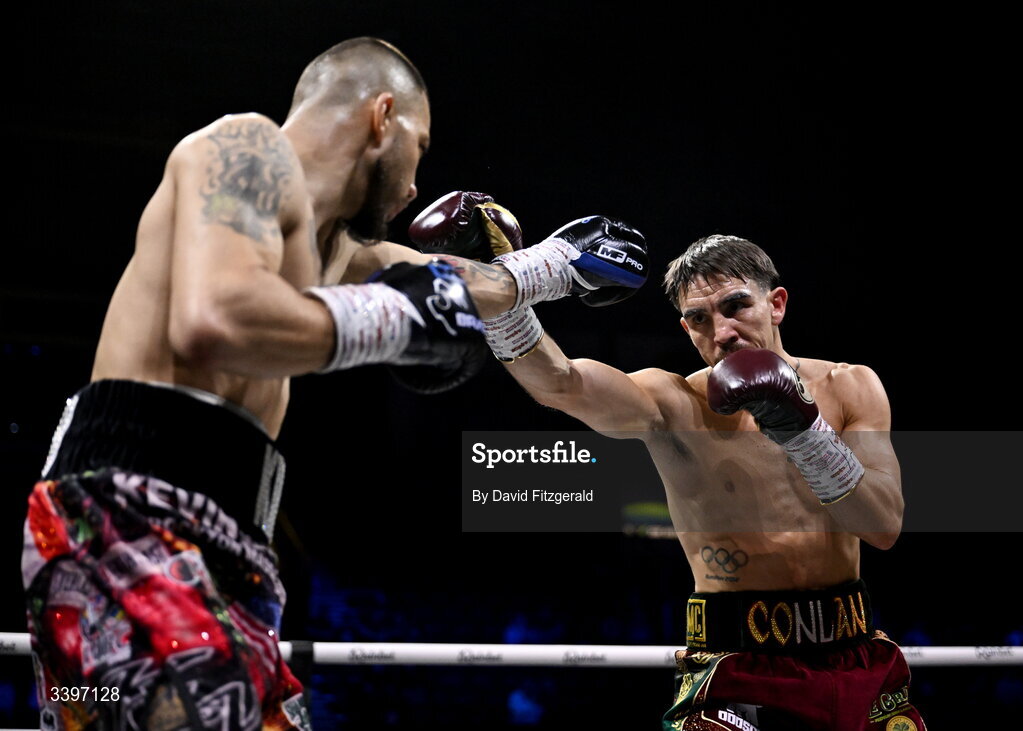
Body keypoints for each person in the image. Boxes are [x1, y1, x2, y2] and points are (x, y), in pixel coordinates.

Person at [21, 37, 491, 730]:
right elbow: (213, 318)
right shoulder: (246, 148)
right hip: (129, 509)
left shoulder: (331, 250)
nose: (417, 184)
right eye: (419, 146)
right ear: (381, 117)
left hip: (235, 537)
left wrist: (560, 263)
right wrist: (394, 319)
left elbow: (466, 293)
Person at [448, 233, 926, 729]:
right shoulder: (673, 403)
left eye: (736, 306)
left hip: (851, 655)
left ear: (776, 304)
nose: (722, 333)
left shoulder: (850, 386)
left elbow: (883, 525)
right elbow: (561, 383)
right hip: (734, 662)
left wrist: (805, 432)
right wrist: (500, 295)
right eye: (700, 319)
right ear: (685, 327)